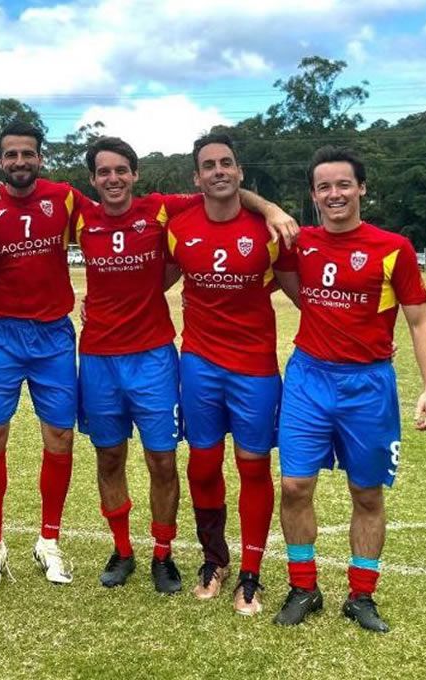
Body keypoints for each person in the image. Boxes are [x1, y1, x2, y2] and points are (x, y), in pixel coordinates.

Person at [75, 136, 296, 594]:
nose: (113, 179)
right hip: (97, 356)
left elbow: (226, 192)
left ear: (136, 175)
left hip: (156, 355)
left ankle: (164, 554)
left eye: (121, 170)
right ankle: (122, 551)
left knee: (163, 460)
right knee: (110, 456)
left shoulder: (162, 210)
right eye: (103, 172)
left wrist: (272, 208)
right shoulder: (77, 214)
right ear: (92, 179)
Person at [273, 146, 426, 633]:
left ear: (361, 188)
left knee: (366, 494)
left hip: (367, 385)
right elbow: (281, 277)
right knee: (294, 485)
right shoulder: (298, 242)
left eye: (343, 184)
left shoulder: (393, 248)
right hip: (308, 377)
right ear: (313, 195)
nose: (334, 193)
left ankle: (361, 596)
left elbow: (420, 319)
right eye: (324, 186)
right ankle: (304, 587)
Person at [166, 133, 299, 614]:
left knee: (253, 467)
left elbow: (302, 293)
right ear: (196, 177)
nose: (219, 171)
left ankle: (251, 574)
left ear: (240, 173)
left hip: (255, 368)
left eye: (227, 163)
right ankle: (213, 560)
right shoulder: (178, 227)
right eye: (209, 165)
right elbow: (147, 278)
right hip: (199, 363)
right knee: (202, 465)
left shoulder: (269, 230)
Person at [0, 121, 87, 587]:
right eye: (11, 155)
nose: (20, 162)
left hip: (54, 336)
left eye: (28, 154)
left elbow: (108, 226)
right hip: (1, 334)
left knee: (60, 439)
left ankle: (49, 542)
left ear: (41, 157)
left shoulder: (65, 197)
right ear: (0, 161)